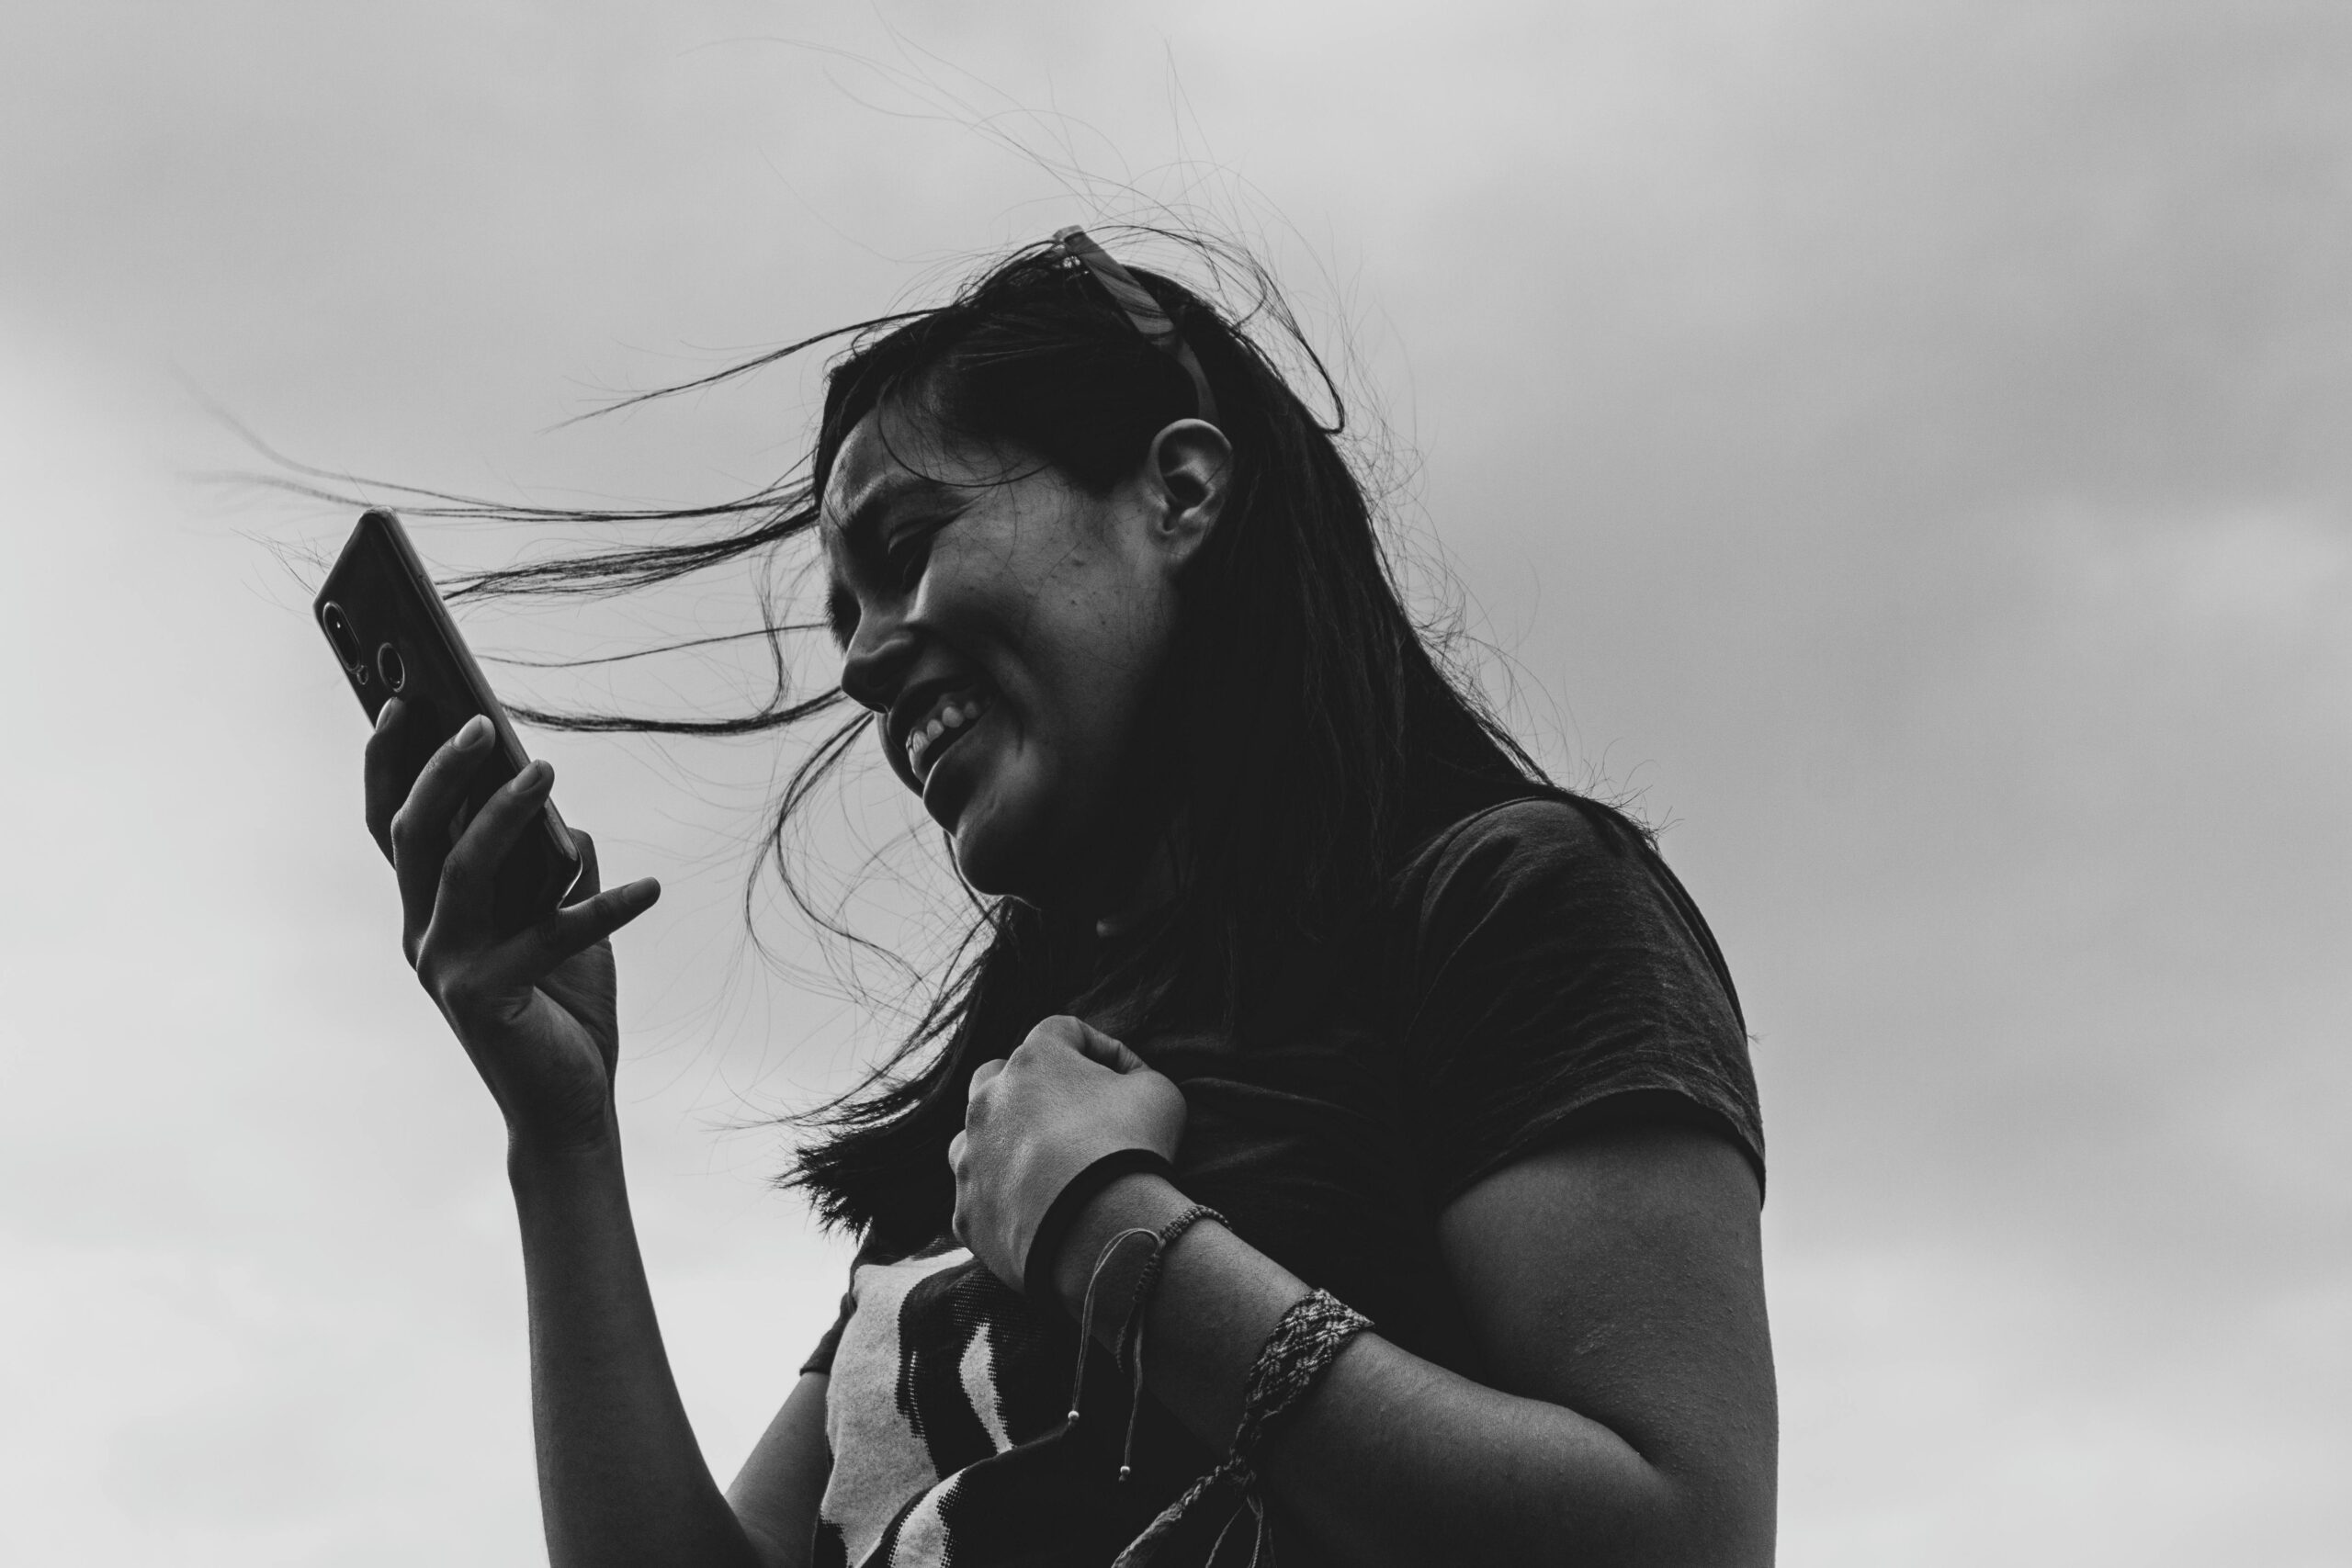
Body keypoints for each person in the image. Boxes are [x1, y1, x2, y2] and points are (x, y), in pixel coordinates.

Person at [360, 228, 1776, 1568]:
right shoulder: (1000, 1113)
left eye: (906, 548)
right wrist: (562, 1137)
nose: (860, 663)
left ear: (1178, 493)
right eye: (845, 611)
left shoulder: (1500, 908)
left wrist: (1111, 1233)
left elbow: (1680, 1535)